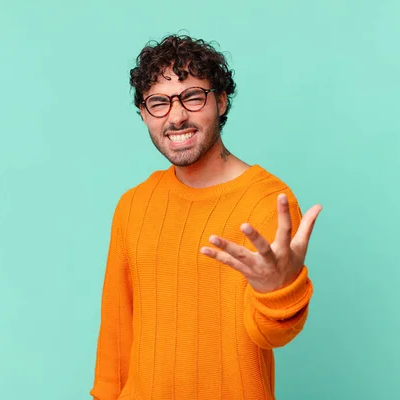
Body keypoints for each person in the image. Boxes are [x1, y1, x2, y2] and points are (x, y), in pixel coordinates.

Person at [90, 34, 322, 400]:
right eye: (159, 103)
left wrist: (277, 291)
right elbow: (117, 332)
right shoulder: (134, 204)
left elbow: (271, 335)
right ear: (143, 114)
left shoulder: (266, 201)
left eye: (193, 97)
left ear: (222, 101)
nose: (177, 116)